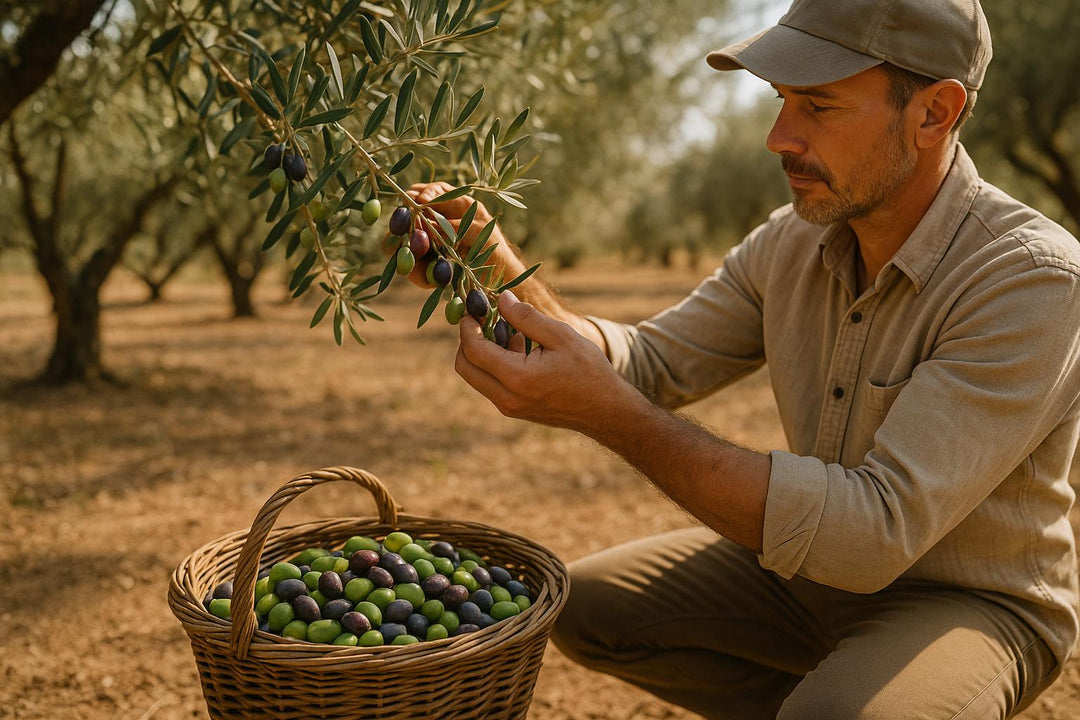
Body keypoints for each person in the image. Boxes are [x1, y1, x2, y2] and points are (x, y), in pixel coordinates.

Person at [407, 0, 1080, 716]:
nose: (778, 137)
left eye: (818, 105)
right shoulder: (789, 242)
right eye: (781, 100)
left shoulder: (1030, 279)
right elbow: (650, 361)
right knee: (588, 607)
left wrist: (611, 416)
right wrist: (502, 271)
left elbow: (872, 531)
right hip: (812, 579)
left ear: (934, 113)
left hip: (970, 601)